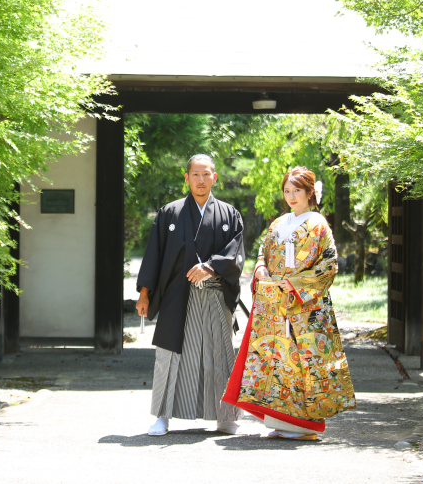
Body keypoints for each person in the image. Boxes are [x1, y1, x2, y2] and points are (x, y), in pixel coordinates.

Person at [222, 166, 356, 440]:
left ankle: (304, 427)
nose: (291, 196)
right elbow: (264, 252)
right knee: (277, 362)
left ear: (310, 193)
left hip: (304, 306)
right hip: (274, 304)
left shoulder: (318, 224)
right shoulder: (278, 223)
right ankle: (281, 423)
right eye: (287, 191)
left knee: (302, 363)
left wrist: (295, 283)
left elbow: (328, 265)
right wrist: (260, 268)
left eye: (297, 190)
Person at [136, 154, 245, 436]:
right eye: (195, 174)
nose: (200, 180)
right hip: (176, 294)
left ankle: (226, 417)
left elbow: (235, 252)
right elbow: (154, 254)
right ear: (187, 178)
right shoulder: (170, 213)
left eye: (206, 174)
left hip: (215, 294)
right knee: (169, 355)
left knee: (219, 354)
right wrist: (145, 294)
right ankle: (162, 416)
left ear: (214, 177)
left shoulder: (229, 214)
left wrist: (211, 267)